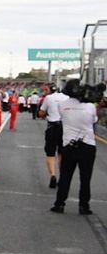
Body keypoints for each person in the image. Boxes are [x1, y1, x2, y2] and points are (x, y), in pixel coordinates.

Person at [51, 80, 98, 215]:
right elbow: (94, 120)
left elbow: (62, 117)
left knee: (65, 176)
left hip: (69, 145)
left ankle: (59, 204)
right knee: (85, 177)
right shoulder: (90, 106)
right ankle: (84, 206)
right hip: (88, 144)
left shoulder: (62, 105)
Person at [39, 84, 69, 188]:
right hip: (65, 127)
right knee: (62, 153)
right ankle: (62, 177)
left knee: (50, 153)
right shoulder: (67, 98)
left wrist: (48, 113)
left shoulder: (48, 98)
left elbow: (41, 113)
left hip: (52, 127)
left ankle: (52, 175)